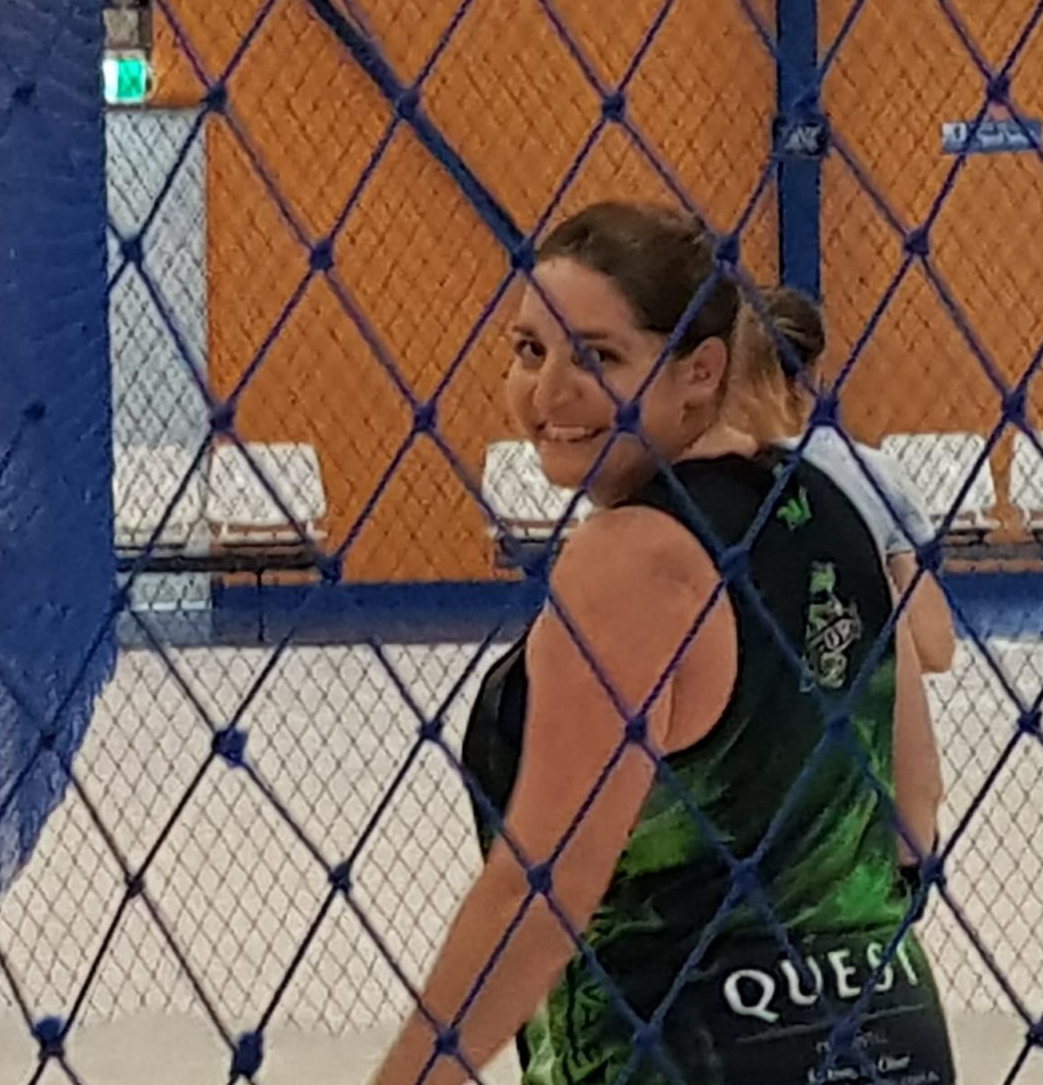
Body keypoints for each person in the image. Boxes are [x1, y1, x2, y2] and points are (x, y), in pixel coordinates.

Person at [371, 201, 954, 1085]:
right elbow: (913, 819)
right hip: (887, 1032)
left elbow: (544, 890)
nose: (548, 392)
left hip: (683, 1051)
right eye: (530, 351)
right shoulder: (835, 509)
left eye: (597, 357)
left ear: (699, 370)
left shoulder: (630, 561)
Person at [727, 287, 957, 676]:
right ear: (816, 374)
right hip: (848, 711)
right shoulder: (874, 476)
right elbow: (934, 648)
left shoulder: (694, 475)